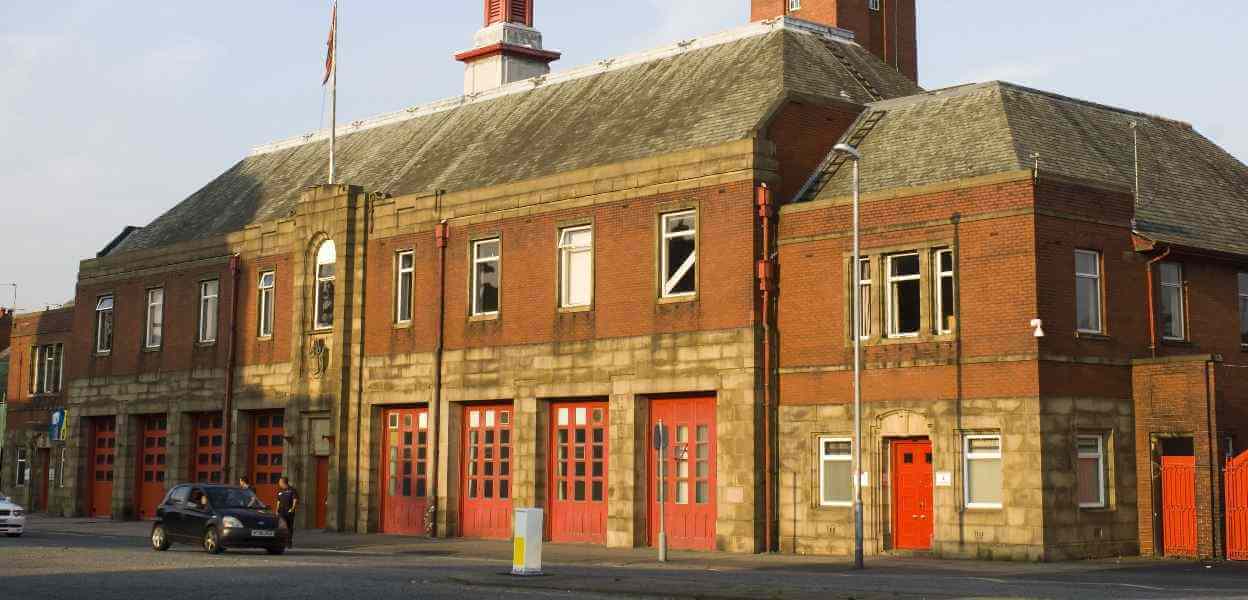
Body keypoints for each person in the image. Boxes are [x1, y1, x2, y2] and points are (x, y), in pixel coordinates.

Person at [276, 477, 300, 548]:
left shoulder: (292, 490)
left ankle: (289, 543)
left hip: (288, 512)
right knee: (281, 527)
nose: (279, 483)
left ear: (283, 482)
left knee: (289, 527)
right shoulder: (280, 491)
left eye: (280, 482)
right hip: (281, 512)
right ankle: (281, 542)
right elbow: (278, 502)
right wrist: (277, 510)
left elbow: (295, 500)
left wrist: (292, 509)